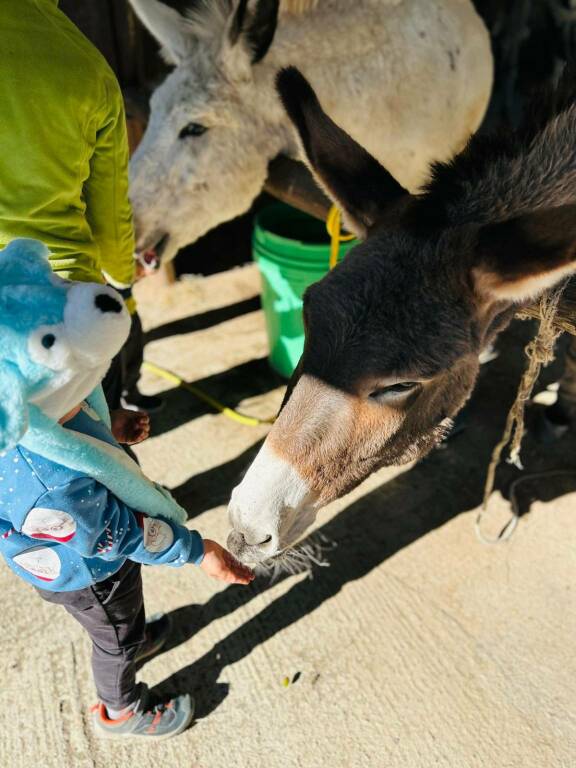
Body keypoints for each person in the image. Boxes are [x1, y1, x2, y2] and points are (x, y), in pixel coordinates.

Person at [0, 238, 255, 740]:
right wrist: (196, 550)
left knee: (122, 624)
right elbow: (117, 533)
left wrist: (108, 424)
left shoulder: (29, 416)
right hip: (88, 570)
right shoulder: (51, 487)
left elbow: (68, 415)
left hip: (74, 548)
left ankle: (132, 635)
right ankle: (121, 710)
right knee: (113, 636)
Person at [0, 0, 160, 413]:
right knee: (96, 460)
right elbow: (109, 208)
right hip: (69, 311)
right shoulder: (88, 65)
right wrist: (124, 275)